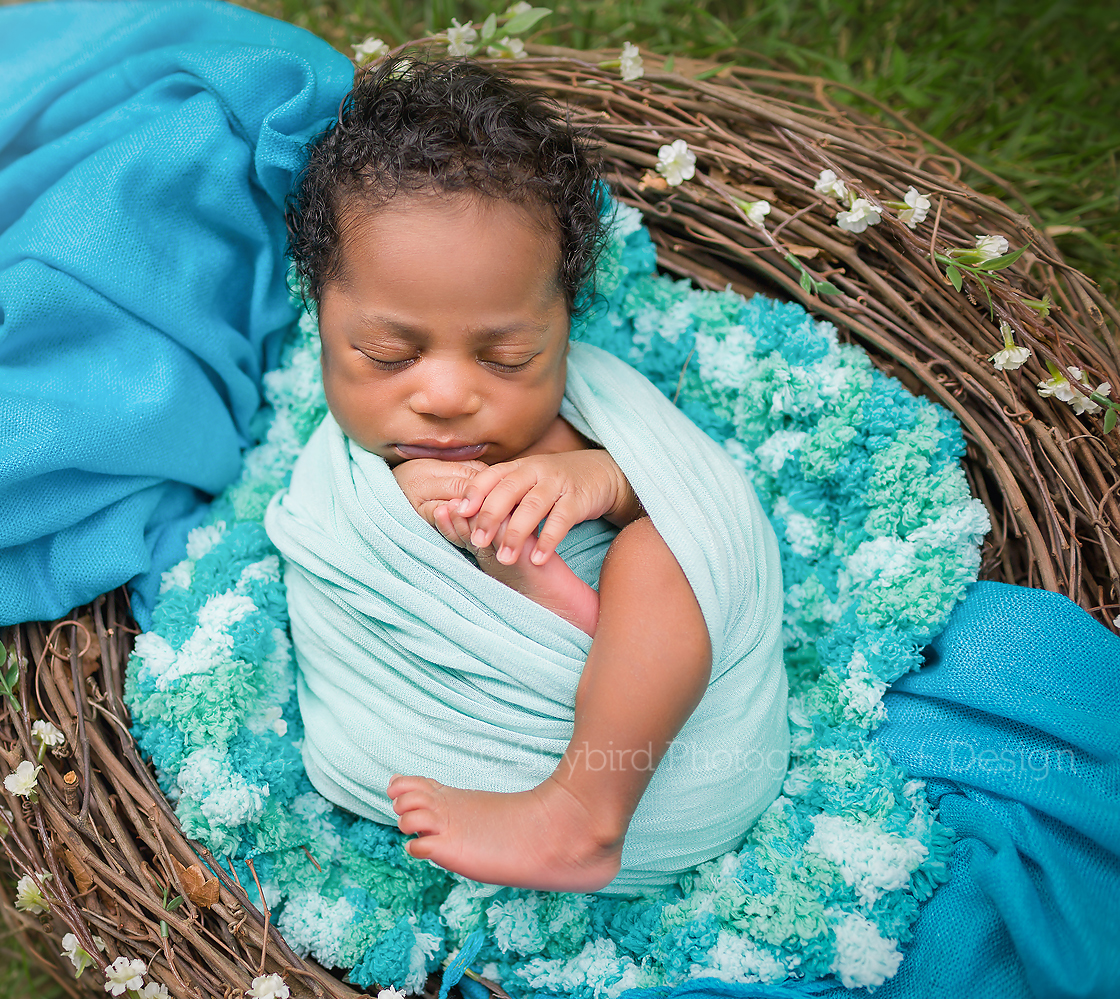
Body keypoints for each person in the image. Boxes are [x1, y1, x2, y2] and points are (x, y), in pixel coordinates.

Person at [267, 57, 786, 894]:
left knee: (667, 550)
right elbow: (330, 565)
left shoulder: (592, 410)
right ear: (319, 314)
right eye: (389, 355)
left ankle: (583, 812)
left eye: (507, 356)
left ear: (565, 323)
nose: (444, 396)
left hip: (680, 760)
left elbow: (712, 514)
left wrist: (605, 481)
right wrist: (400, 513)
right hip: (466, 741)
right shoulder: (339, 481)